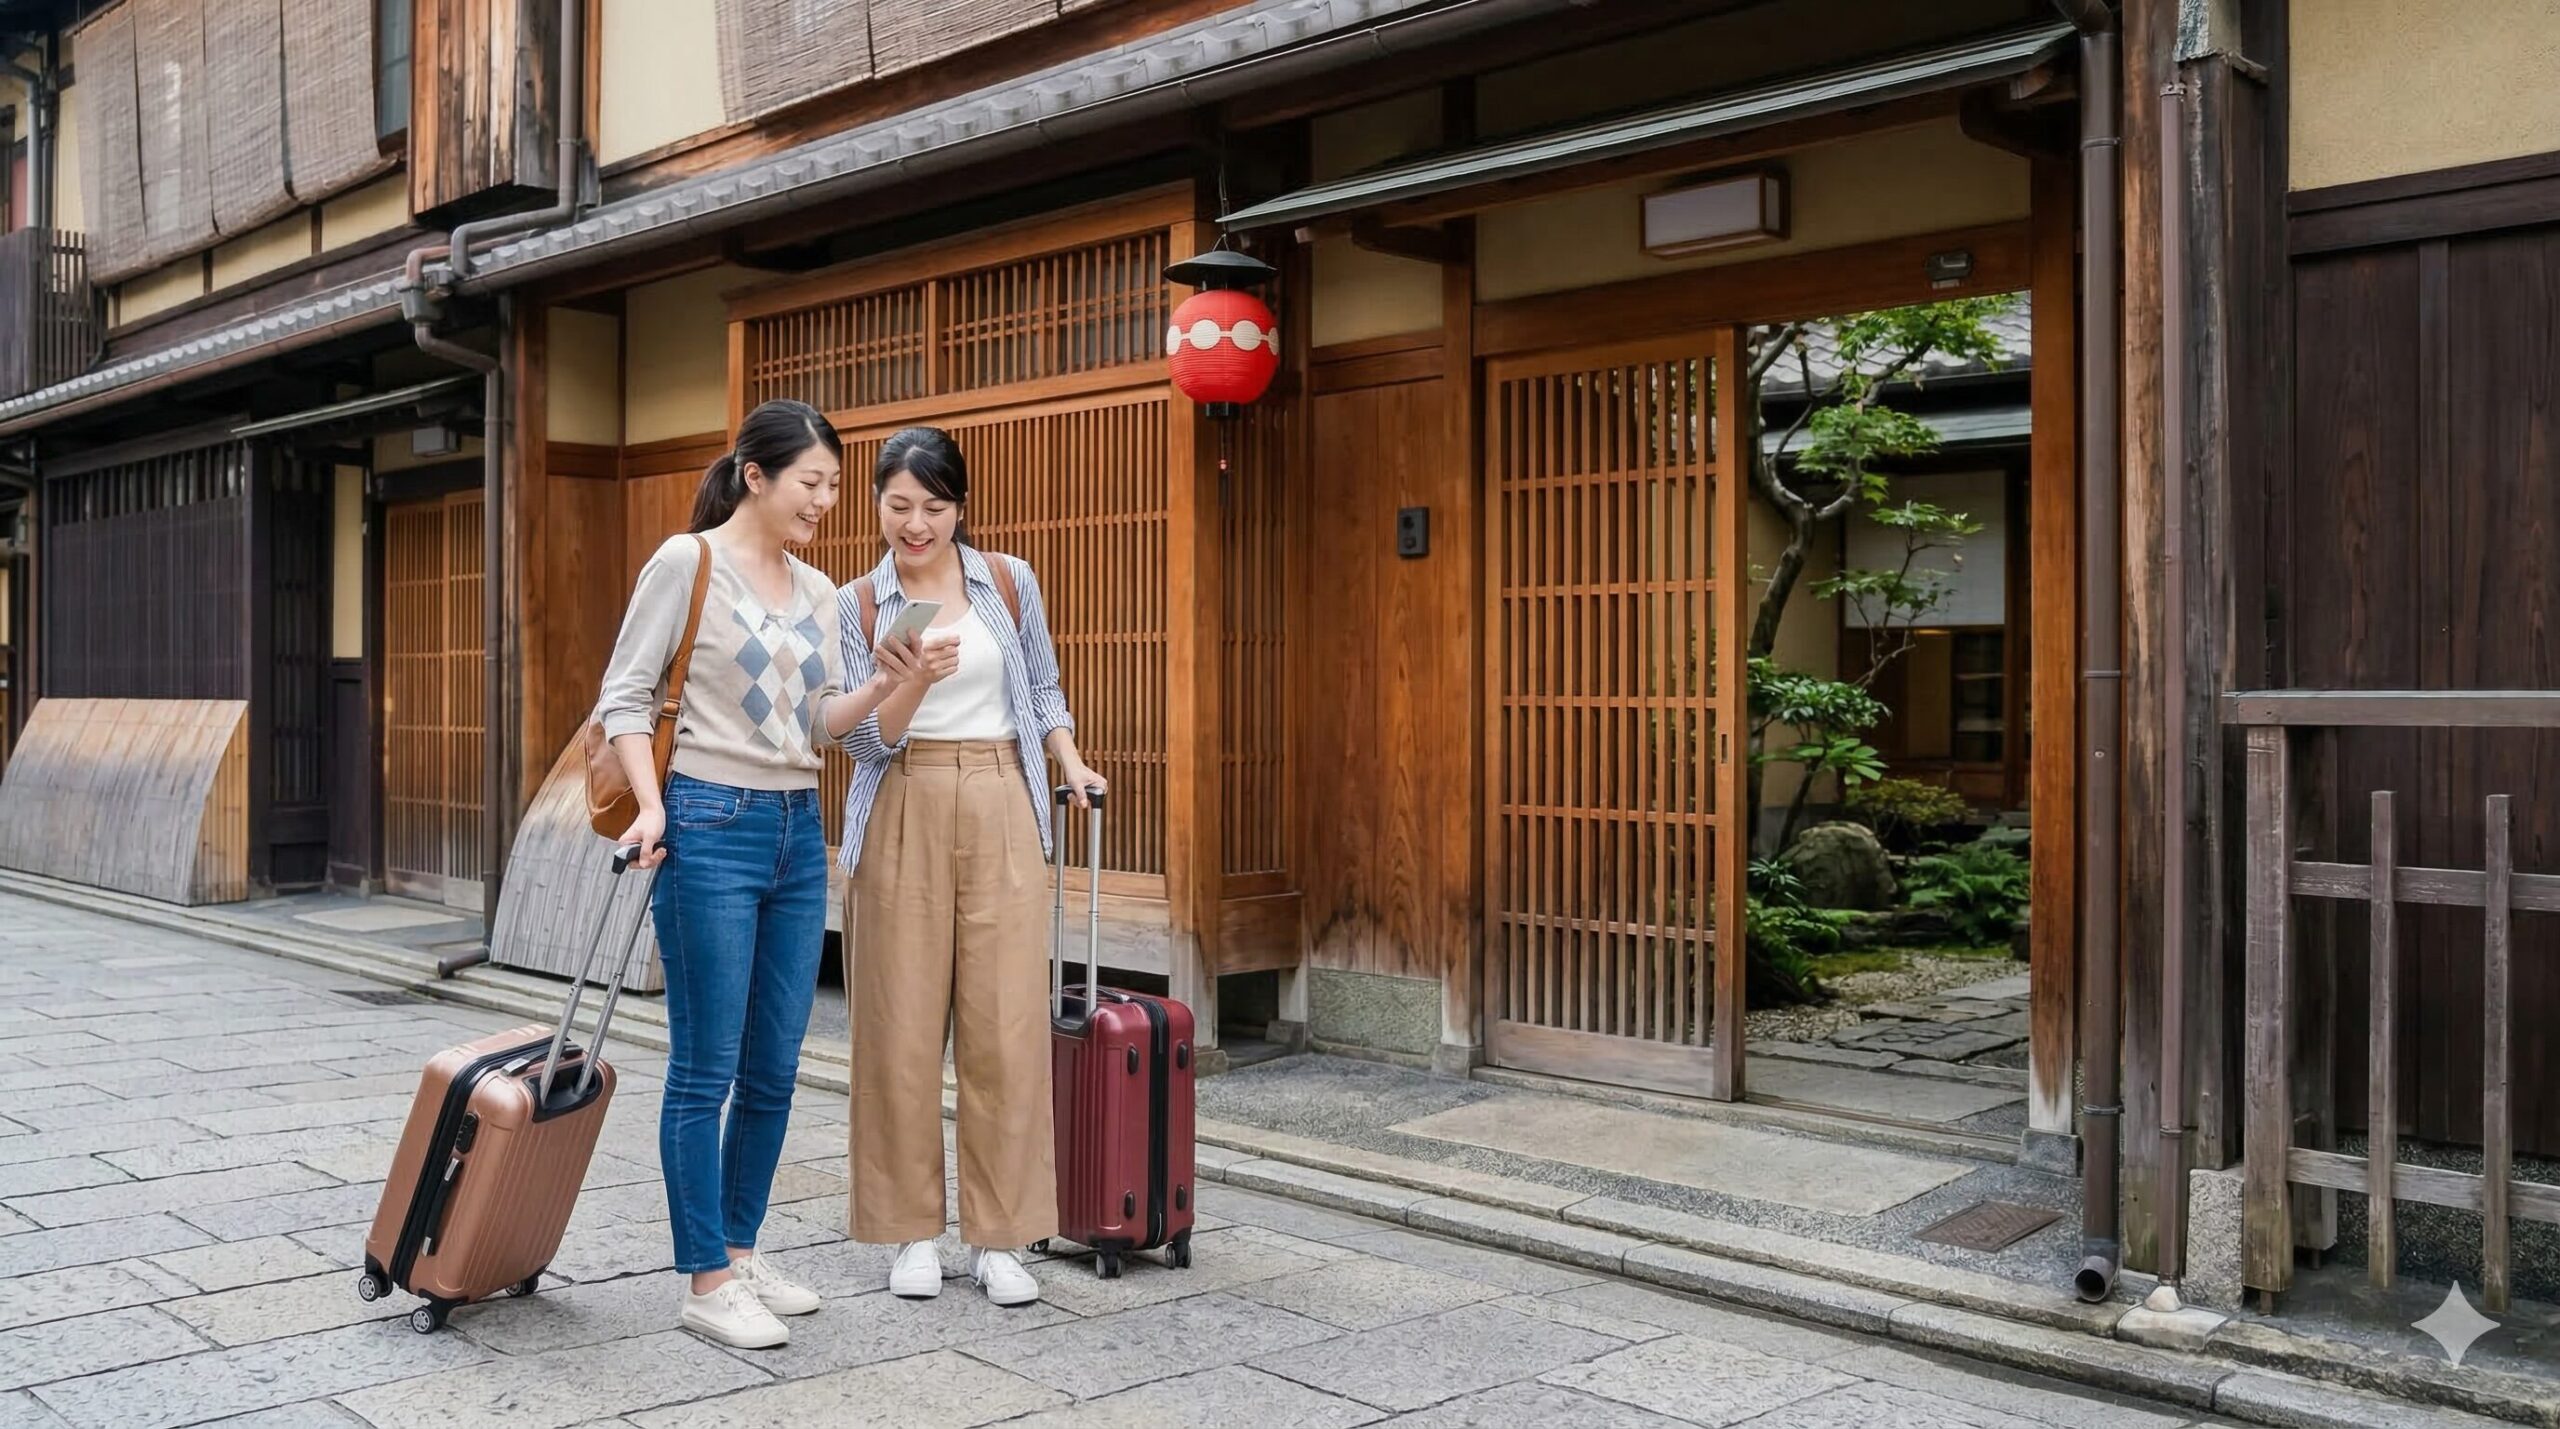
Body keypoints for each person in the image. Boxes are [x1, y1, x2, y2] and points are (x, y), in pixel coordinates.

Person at [595, 398, 927, 1349]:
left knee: (776, 1065)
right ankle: (703, 1277)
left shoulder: (821, 592)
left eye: (832, 487)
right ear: (756, 475)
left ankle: (738, 1250)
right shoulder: (685, 562)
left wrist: (895, 676)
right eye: (811, 484)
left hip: (794, 824)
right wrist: (652, 807)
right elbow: (624, 694)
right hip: (707, 817)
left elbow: (825, 718)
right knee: (707, 1067)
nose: (825, 502)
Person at [836, 425, 1106, 1308]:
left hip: (1002, 794)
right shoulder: (858, 604)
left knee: (1006, 1025)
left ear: (960, 506)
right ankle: (911, 1230)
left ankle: (1002, 1235)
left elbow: (1041, 690)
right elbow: (867, 742)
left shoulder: (1009, 581)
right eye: (899, 505)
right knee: (901, 1027)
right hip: (902, 802)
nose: (916, 524)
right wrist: (909, 675)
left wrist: (1069, 763)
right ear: (876, 503)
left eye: (934, 506)